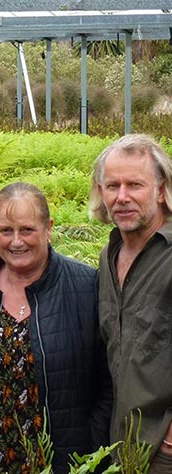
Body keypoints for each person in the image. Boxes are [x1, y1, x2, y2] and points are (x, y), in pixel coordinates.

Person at [0, 182, 111, 473]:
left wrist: (88, 449)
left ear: (48, 227)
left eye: (27, 229)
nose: (16, 241)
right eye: (6, 230)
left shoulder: (86, 288)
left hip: (59, 463)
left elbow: (109, 383)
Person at [89, 134, 172, 473]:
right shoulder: (109, 256)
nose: (121, 197)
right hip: (120, 447)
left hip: (163, 453)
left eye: (135, 185)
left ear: (162, 189)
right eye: (112, 186)